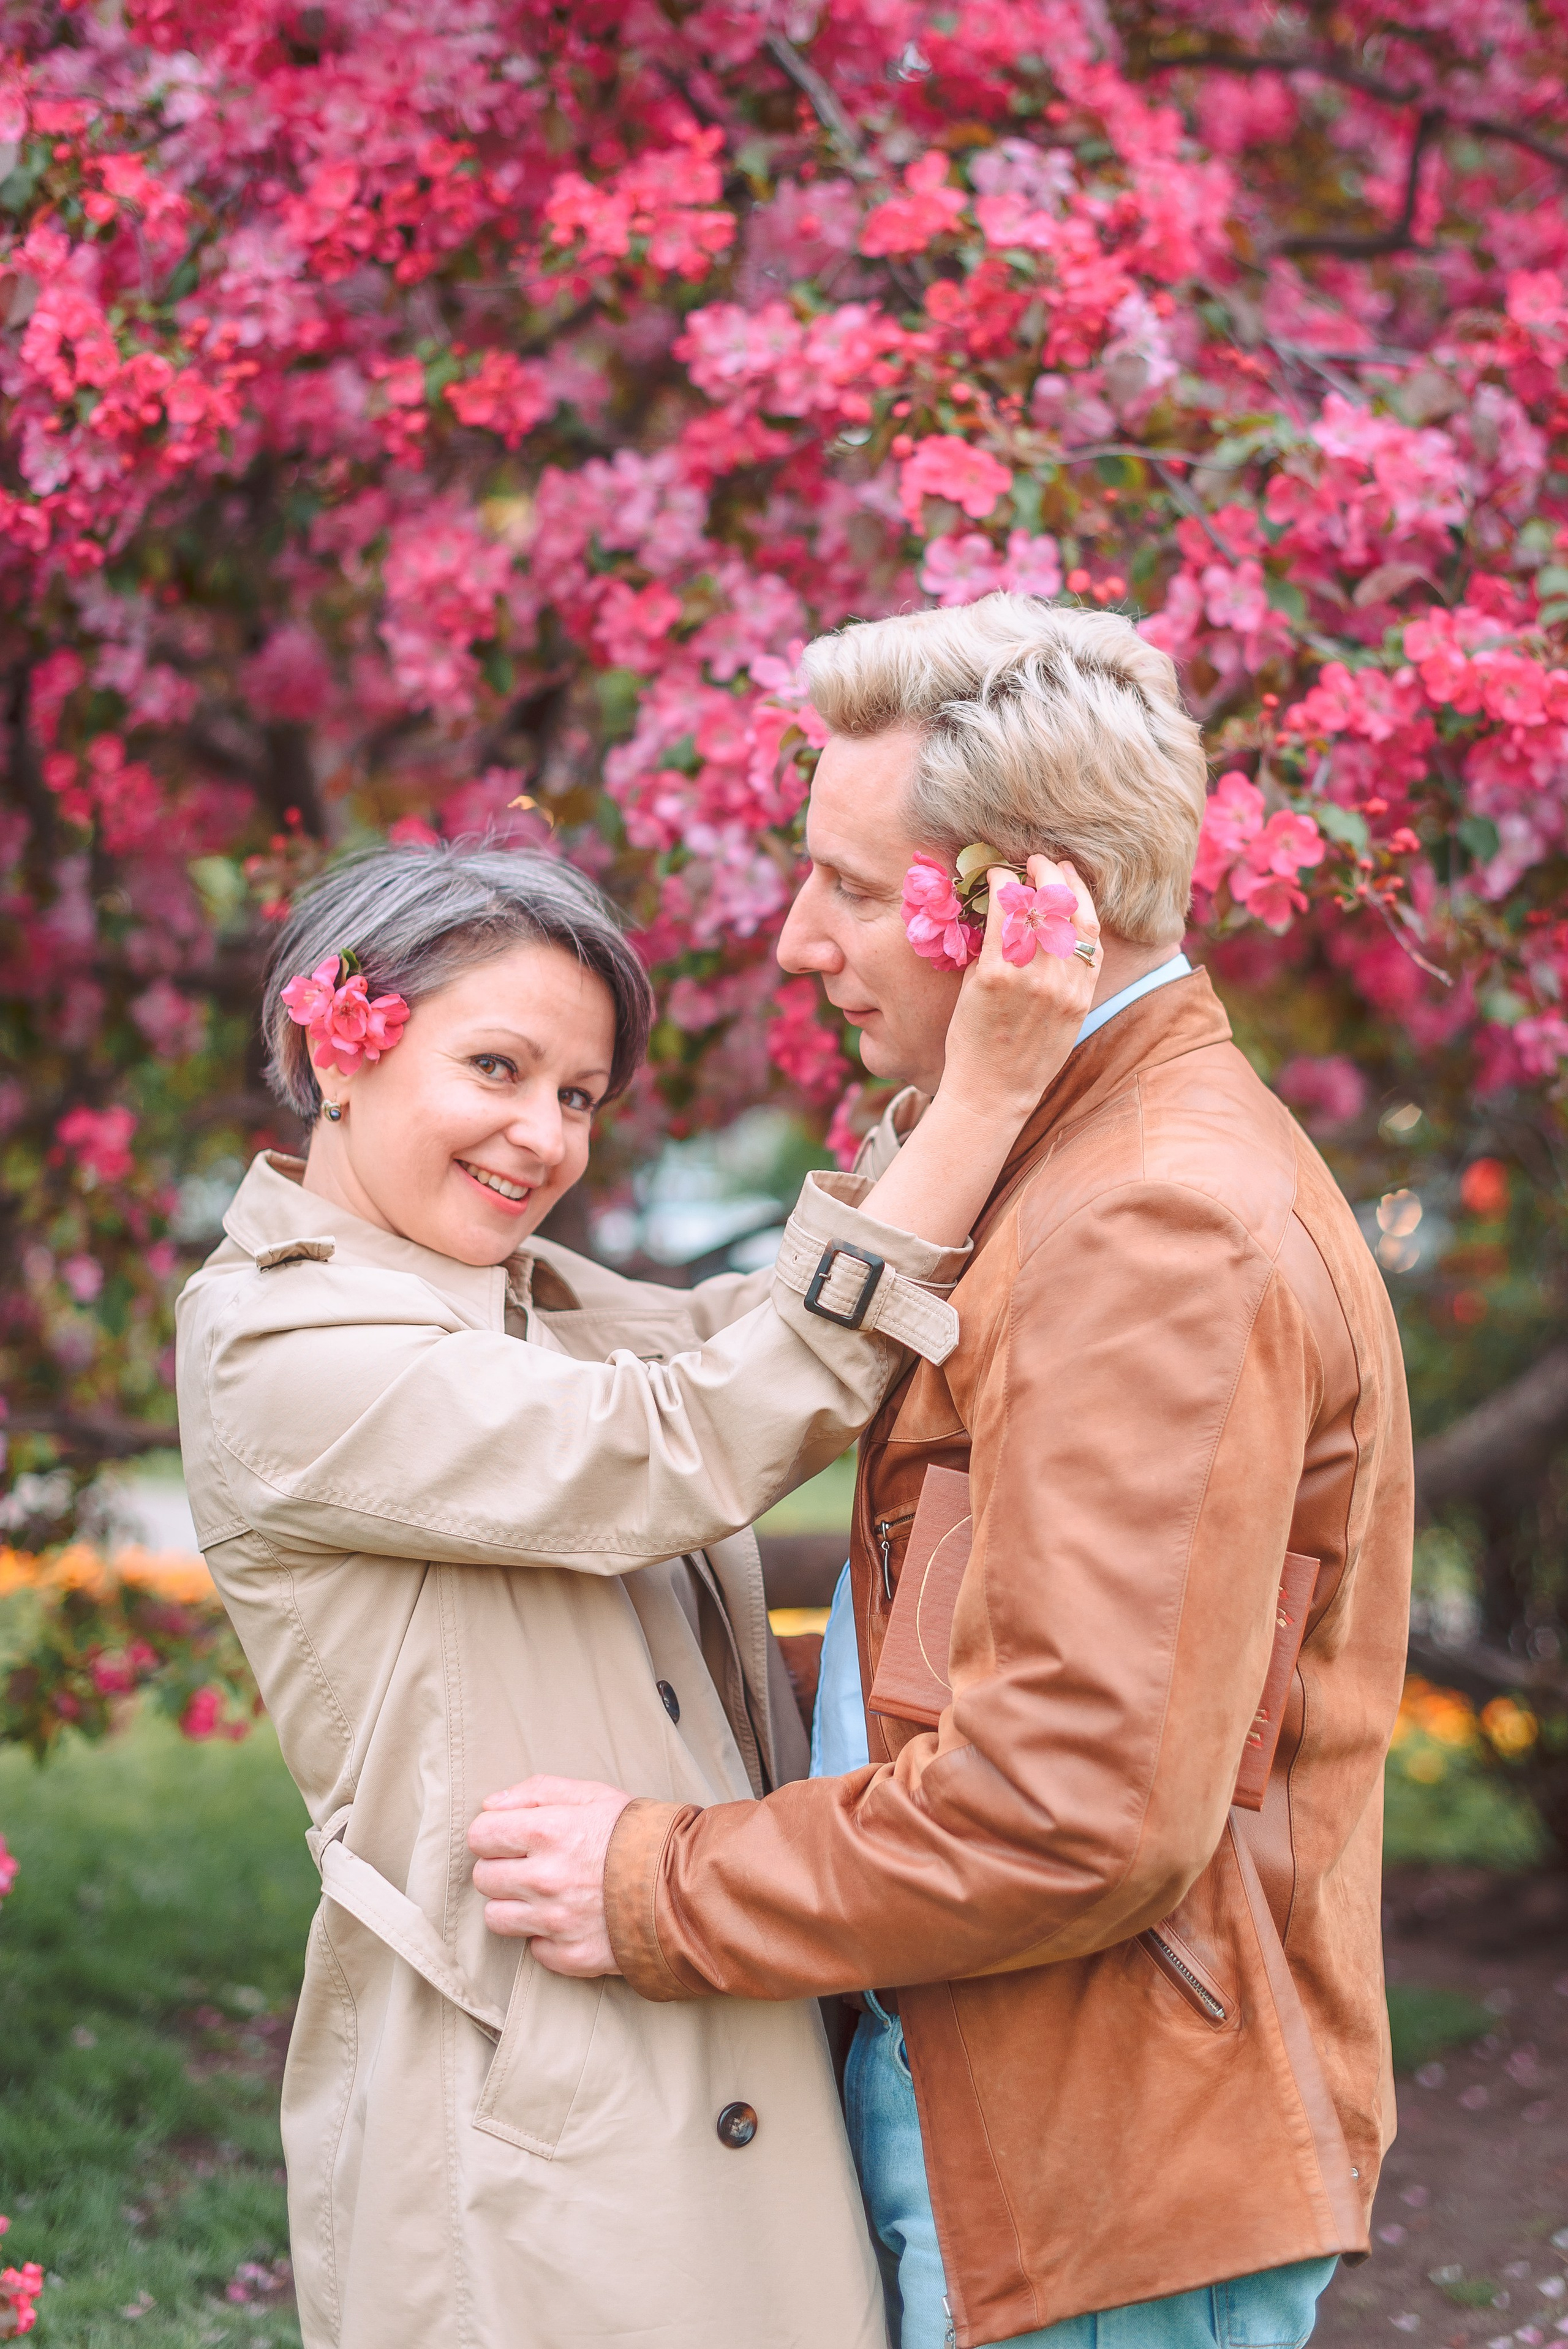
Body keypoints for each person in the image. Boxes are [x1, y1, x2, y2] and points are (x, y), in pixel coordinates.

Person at [469, 597, 1414, 2349]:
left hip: (1103, 2169)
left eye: (839, 881)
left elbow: (1073, 1802)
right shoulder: (1078, 1162)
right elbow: (990, 1652)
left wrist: (653, 1880)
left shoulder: (1151, 1221)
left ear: (1023, 905)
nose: (795, 943)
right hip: (1036, 2104)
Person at [173, 835, 1102, 2349]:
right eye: (497, 1065)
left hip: (690, 2005)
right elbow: (686, 1439)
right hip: (525, 2094)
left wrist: (949, 1072)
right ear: (333, 1046)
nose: (541, 1135)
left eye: (578, 1095)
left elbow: (757, 1323)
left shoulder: (525, 1301)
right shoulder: (276, 1346)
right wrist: (988, 1093)